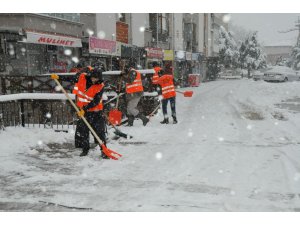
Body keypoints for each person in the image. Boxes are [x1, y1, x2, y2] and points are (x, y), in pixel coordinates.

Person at [51, 66, 108, 158]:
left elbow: (96, 101)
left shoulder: (100, 86)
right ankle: (85, 149)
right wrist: (58, 77)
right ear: (90, 76)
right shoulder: (82, 77)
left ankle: (104, 151)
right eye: (93, 78)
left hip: (96, 111)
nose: (94, 80)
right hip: (84, 112)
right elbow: (71, 78)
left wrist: (85, 109)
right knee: (84, 131)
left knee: (100, 132)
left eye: (97, 78)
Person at [121, 61, 149, 127]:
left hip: (136, 93)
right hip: (132, 93)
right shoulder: (131, 72)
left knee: (131, 108)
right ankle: (130, 123)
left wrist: (123, 76)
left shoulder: (133, 72)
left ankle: (144, 119)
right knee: (129, 109)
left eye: (125, 68)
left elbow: (130, 80)